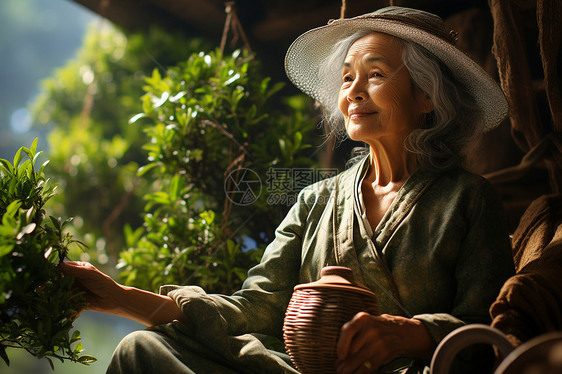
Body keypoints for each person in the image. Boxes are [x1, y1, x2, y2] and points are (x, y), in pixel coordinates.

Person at [61, 6, 515, 374]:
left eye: (375, 74)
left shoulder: (467, 198)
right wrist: (119, 297)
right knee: (144, 350)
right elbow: (253, 309)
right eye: (346, 78)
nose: (354, 91)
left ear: (426, 97)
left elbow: (486, 333)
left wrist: (409, 334)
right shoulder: (315, 200)